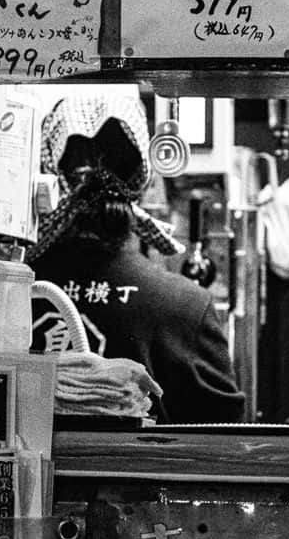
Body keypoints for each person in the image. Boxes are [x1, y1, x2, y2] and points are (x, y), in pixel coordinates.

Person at [28, 89, 246, 424]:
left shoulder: (4, 294)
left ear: (48, 170)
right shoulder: (186, 307)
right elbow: (222, 445)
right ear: (145, 178)